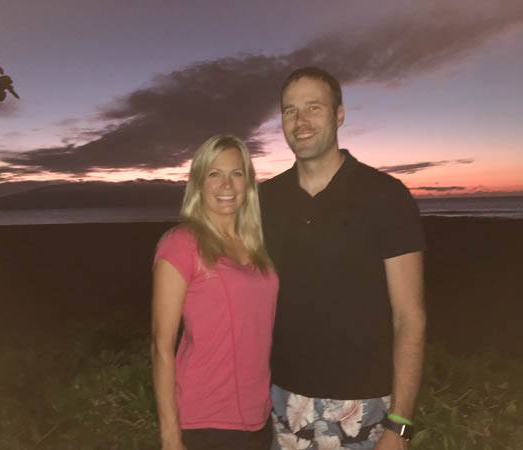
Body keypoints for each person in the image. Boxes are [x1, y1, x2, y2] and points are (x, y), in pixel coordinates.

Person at [260, 67, 426, 450]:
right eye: (290, 110)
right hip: (282, 399)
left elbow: (410, 316)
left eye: (313, 107)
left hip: (365, 403)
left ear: (339, 115)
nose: (300, 121)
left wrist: (400, 424)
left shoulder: (386, 196)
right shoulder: (265, 200)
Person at [151, 134, 278, 450]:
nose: (227, 185)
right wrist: (170, 437)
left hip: (260, 416)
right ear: (198, 183)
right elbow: (160, 346)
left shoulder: (256, 245)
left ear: (248, 183)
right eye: (214, 174)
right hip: (205, 422)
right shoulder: (182, 243)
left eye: (237, 174)